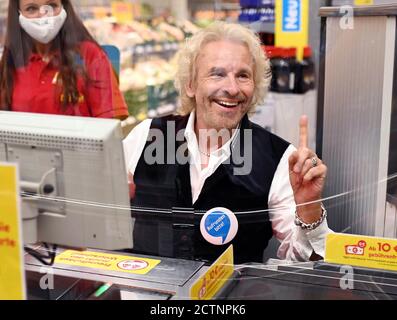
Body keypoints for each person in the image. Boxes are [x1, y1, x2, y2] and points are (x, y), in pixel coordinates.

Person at [123, 22, 331, 264]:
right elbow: (96, 217)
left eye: (243, 76)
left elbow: (308, 264)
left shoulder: (280, 158)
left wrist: (309, 209)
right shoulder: (146, 136)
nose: (232, 89)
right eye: (217, 73)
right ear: (191, 84)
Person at [0, 0, 129, 119]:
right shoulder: (10, 61)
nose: (43, 15)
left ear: (64, 6)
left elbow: (109, 126)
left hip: (81, 144)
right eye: (31, 9)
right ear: (18, 13)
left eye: (51, 6)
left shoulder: (91, 55)